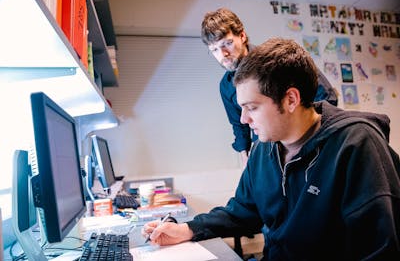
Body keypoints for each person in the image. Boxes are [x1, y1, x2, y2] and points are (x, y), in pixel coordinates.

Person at [142, 38, 400, 260]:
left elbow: (380, 250)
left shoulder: (356, 145)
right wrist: (187, 229)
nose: (243, 119)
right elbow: (241, 212)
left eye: (252, 107)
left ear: (290, 99)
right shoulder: (262, 151)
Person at [201, 8, 338, 167]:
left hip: (304, 146)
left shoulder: (275, 59)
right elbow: (239, 125)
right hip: (266, 153)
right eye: (215, 49)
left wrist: (306, 140)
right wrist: (246, 158)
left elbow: (326, 96)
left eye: (228, 43)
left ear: (242, 36)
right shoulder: (225, 86)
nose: (223, 54)